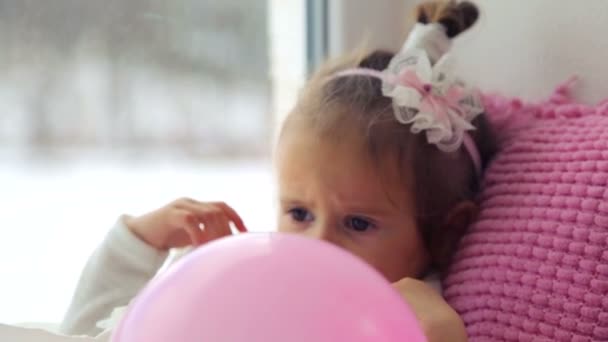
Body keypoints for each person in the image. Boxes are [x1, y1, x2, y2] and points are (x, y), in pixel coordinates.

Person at [60, 1, 497, 341]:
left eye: (359, 223)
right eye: (299, 214)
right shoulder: (257, 285)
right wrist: (137, 243)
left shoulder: (416, 320)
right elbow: (81, 335)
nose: (317, 244)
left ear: (445, 233)